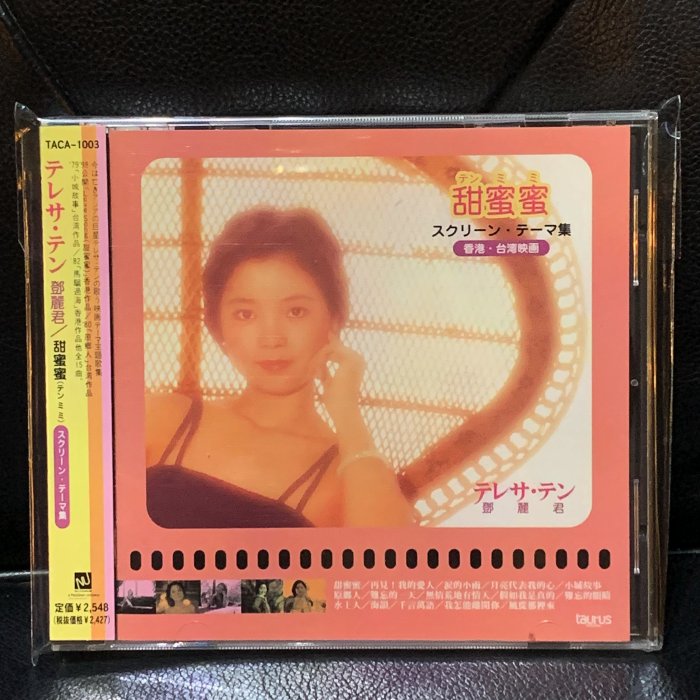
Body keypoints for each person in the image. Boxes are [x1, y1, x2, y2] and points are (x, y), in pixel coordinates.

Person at [146, 206, 413, 528]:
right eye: (245, 314)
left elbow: (387, 554)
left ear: (333, 319)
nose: (271, 338)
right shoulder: (162, 418)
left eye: (295, 312)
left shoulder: (348, 477)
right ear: (219, 326)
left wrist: (348, 416)